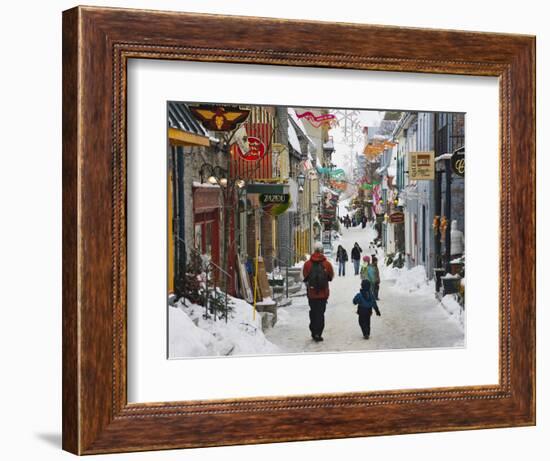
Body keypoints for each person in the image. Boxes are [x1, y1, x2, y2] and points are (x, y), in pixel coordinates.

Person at [302, 241, 335, 342]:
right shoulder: (327, 264)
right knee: (321, 314)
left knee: (313, 312)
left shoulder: (307, 264)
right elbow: (331, 277)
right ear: (322, 250)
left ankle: (313, 330)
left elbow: (304, 277)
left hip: (312, 294)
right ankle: (318, 333)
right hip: (323, 294)